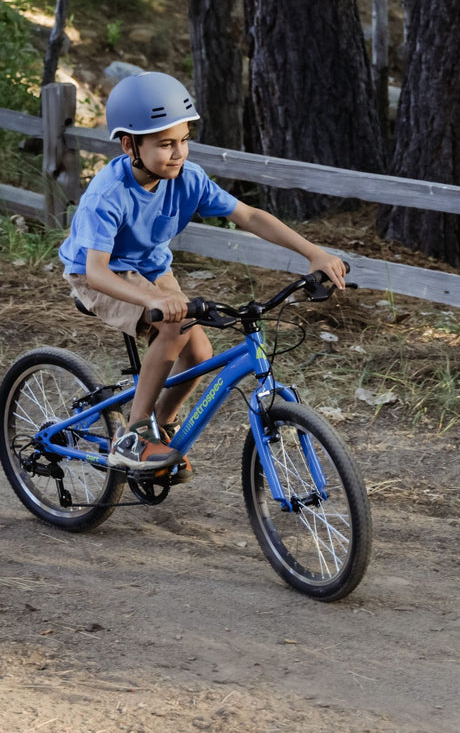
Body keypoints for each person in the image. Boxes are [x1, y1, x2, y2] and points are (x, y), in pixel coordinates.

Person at [59, 71, 346, 477]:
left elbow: (248, 215)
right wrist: (154, 300)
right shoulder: (109, 195)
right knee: (173, 330)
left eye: (183, 140)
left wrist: (313, 253)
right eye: (165, 144)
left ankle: (162, 424)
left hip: (151, 269)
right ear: (130, 145)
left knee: (200, 353)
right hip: (100, 275)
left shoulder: (187, 179)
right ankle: (134, 436)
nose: (178, 153)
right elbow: (97, 271)